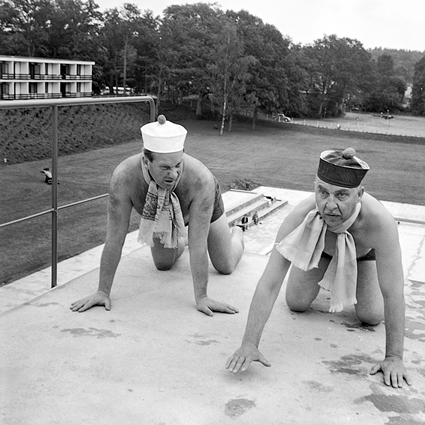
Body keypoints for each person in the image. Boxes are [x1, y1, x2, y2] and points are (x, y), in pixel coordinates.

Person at [226, 147, 412, 388]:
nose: (330, 205)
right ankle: (323, 274)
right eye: (322, 192)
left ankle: (345, 276)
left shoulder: (380, 222)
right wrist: (249, 343)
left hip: (363, 256)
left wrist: (394, 357)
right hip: (320, 249)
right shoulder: (301, 214)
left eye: (341, 195)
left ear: (360, 194)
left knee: (371, 316)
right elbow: (270, 282)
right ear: (314, 186)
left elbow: (393, 292)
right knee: (296, 302)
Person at [71, 115, 244, 317]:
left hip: (198, 208)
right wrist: (102, 291)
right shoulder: (123, 178)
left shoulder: (202, 179)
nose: (173, 174)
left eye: (178, 165)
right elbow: (114, 238)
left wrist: (202, 297)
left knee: (225, 265)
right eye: (165, 168)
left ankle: (238, 233)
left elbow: (198, 244)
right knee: (163, 265)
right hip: (158, 211)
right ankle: (178, 239)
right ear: (146, 162)